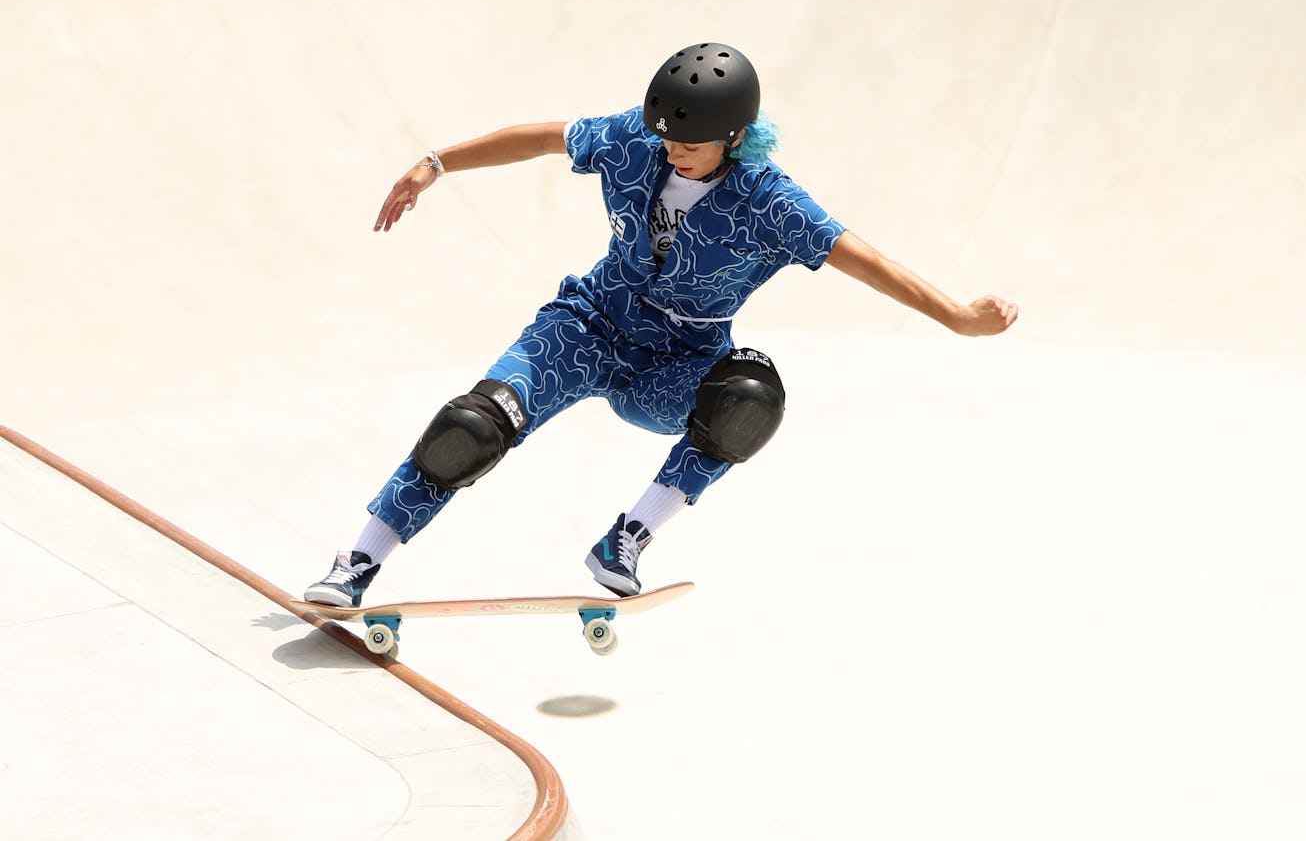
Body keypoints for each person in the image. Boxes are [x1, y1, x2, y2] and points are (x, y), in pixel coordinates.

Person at [304, 42, 1018, 608]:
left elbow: (867, 262)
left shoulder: (770, 202)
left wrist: (957, 316)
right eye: (666, 137)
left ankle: (627, 539)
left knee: (747, 403)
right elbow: (538, 138)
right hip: (585, 326)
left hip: (676, 362)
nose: (672, 150)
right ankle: (359, 559)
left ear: (736, 138)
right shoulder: (635, 140)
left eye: (692, 144)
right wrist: (436, 164)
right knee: (474, 425)